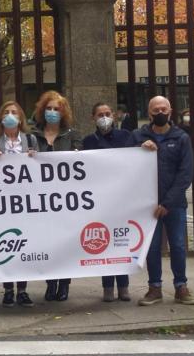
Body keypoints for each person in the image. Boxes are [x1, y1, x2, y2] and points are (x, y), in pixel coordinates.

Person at [129, 96, 194, 306]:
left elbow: (185, 174)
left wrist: (166, 203)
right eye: (156, 109)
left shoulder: (181, 138)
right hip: (147, 204)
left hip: (173, 205)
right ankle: (154, 288)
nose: (160, 113)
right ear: (149, 113)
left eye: (163, 109)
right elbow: (124, 159)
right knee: (152, 247)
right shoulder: (138, 136)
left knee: (177, 245)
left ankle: (181, 286)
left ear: (170, 111)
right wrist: (139, 146)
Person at [31, 90, 82, 302]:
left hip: (65, 200)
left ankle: (64, 284)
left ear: (63, 113)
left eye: (56, 109)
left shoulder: (72, 135)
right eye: (49, 109)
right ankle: (50, 283)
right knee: (46, 243)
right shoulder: (33, 135)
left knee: (65, 243)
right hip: (41, 200)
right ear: (43, 111)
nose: (52, 112)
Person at [82, 102, 132, 302]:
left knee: (121, 242)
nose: (104, 117)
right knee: (104, 241)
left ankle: (124, 286)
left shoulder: (126, 137)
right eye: (100, 114)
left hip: (122, 198)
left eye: (107, 113)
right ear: (93, 118)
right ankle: (108, 287)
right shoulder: (88, 141)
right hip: (100, 199)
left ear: (114, 116)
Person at [0, 100, 37, 308]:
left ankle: (23, 290)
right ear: (1, 118)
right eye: (6, 112)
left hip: (25, 201)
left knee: (23, 244)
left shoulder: (30, 139)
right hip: (1, 202)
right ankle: (8, 289)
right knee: (6, 244)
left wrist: (34, 158)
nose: (10, 116)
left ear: (20, 118)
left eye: (14, 113)